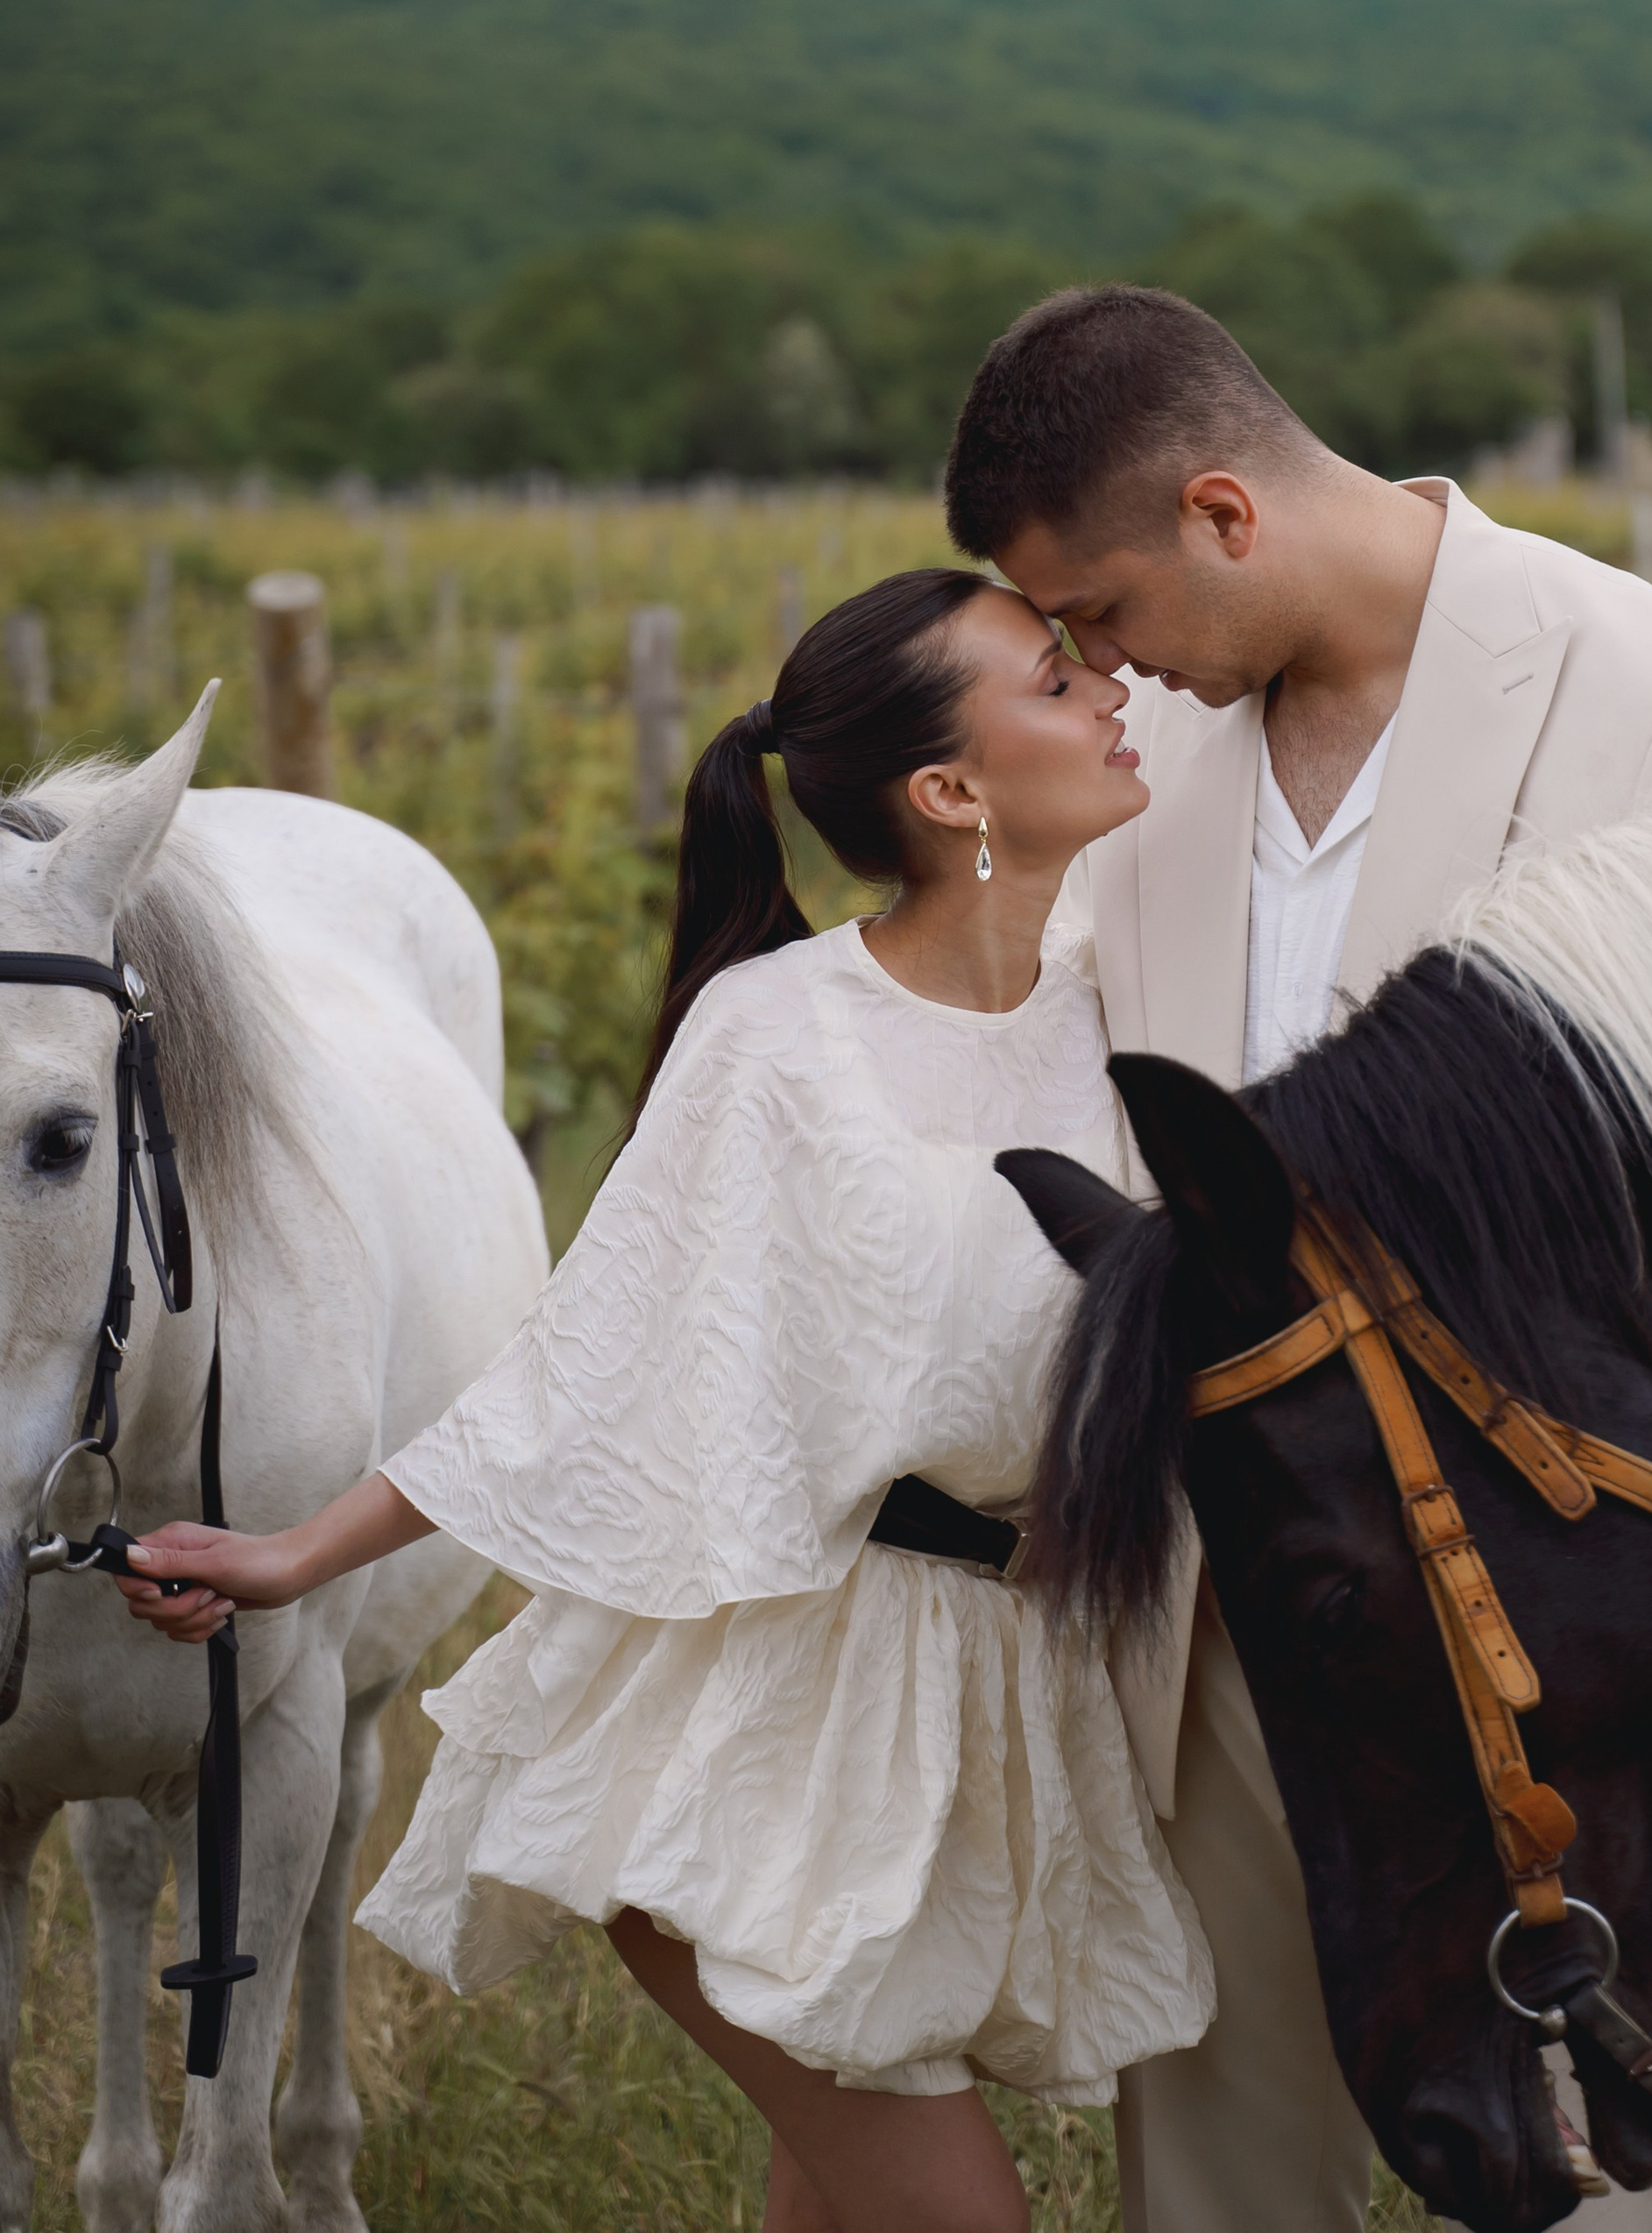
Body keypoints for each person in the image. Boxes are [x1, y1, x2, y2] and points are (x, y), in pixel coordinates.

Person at [117, 568, 1214, 2233]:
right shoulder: (778, 1038)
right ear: (951, 792)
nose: (1114, 695)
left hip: (1003, 1690)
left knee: (834, 2199)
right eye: (1058, 687)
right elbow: (581, 1360)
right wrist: (291, 1558)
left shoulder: (1129, 998)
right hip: (773, 1721)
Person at [944, 285, 1652, 2233]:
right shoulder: (1142, 737)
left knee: (1587, 2110)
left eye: (1099, 611)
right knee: (1223, 2122)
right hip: (1220, 1545)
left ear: (1223, 514)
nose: (1089, 664)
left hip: (1507, 1566)